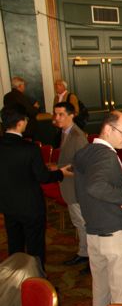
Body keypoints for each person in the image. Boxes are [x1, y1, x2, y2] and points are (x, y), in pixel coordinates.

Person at [74, 110, 122, 306]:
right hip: (114, 237)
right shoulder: (107, 156)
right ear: (108, 129)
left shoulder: (85, 152)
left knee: (100, 293)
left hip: (93, 234)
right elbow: (96, 186)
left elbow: (85, 188)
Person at [0, 108, 71, 268]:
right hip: (30, 206)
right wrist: (61, 173)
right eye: (25, 120)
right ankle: (37, 278)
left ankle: (16, 278)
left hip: (8, 205)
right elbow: (43, 177)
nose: (27, 122)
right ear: (20, 123)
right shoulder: (30, 148)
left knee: (15, 245)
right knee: (35, 247)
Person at [53, 102, 89, 269]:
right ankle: (84, 252)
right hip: (69, 185)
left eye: (61, 114)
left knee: (82, 223)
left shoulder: (77, 136)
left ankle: (87, 255)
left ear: (71, 115)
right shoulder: (64, 133)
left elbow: (83, 164)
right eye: (56, 114)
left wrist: (61, 170)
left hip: (76, 186)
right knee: (79, 222)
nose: (57, 118)